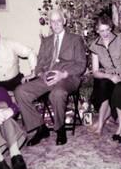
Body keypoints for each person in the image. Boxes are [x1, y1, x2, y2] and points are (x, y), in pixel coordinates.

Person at [14, 9, 87, 146]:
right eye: (53, 21)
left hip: (68, 77)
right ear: (50, 24)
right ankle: (40, 128)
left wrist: (63, 74)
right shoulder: (46, 41)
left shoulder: (75, 40)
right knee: (20, 91)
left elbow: (81, 64)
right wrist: (41, 73)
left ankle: (60, 129)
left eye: (58, 20)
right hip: (47, 77)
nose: (56, 24)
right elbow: (40, 63)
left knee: (57, 93)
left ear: (64, 21)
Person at [88, 14, 121, 135]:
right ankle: (101, 123)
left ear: (110, 28)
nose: (105, 33)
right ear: (97, 30)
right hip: (108, 76)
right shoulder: (95, 46)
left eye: (107, 30)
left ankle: (100, 123)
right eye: (101, 30)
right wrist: (110, 76)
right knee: (103, 84)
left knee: (107, 87)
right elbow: (95, 71)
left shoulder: (120, 39)